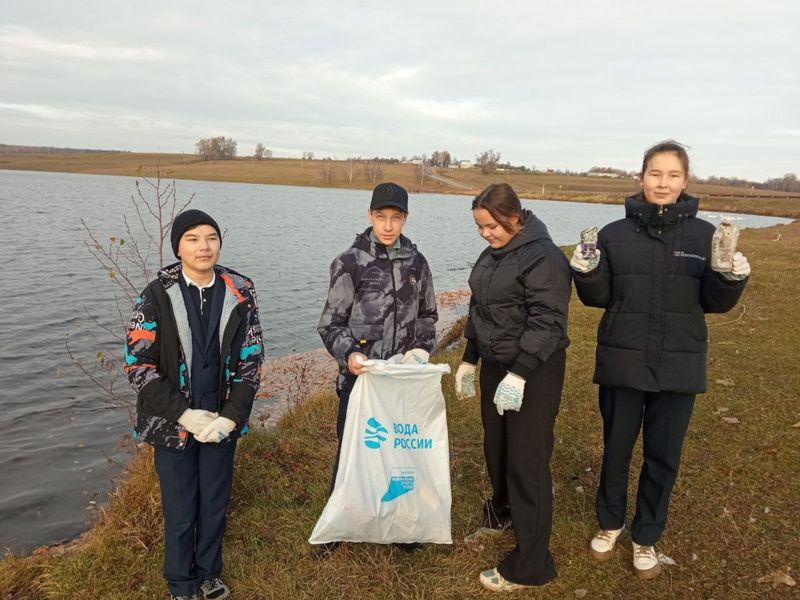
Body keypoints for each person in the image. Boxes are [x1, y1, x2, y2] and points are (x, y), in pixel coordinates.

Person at [571, 141, 750, 580]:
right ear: (642, 177)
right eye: (655, 173)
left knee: (663, 455)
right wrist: (586, 272)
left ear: (685, 181)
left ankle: (646, 535)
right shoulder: (612, 235)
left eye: (672, 175)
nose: (663, 183)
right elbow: (598, 299)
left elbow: (714, 302)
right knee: (616, 449)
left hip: (678, 365)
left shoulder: (707, 236)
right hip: (623, 361)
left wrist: (731, 280)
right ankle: (610, 523)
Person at [125, 209, 264, 600]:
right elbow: (138, 365)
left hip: (221, 422)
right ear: (179, 247)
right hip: (173, 425)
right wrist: (183, 413)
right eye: (193, 238)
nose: (204, 246)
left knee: (214, 502)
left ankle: (208, 575)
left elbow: (251, 361)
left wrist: (231, 418)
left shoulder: (241, 291)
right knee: (182, 508)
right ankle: (181, 584)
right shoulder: (155, 295)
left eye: (211, 238)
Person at [455, 183, 571, 592]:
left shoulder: (546, 257)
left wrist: (520, 373)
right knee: (497, 446)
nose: (486, 234)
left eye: (491, 226)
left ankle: (531, 564)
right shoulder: (493, 255)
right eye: (479, 227)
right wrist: (469, 358)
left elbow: (548, 321)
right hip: (496, 365)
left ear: (514, 216)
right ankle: (500, 512)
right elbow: (480, 308)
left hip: (534, 370)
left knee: (527, 459)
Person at [317, 182, 438, 554]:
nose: (388, 225)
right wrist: (350, 356)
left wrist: (420, 351)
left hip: (402, 381)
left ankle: (401, 524)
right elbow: (331, 324)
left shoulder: (417, 263)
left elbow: (429, 316)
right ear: (369, 216)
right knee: (354, 451)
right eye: (381, 217)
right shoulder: (349, 262)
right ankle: (340, 523)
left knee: (399, 451)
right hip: (360, 380)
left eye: (396, 217)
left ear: (405, 219)